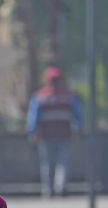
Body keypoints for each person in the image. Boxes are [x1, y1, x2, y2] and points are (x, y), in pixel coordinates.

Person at [27, 66, 83, 197]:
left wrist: (32, 131)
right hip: (63, 134)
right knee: (62, 162)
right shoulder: (68, 96)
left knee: (48, 164)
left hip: (47, 135)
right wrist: (78, 128)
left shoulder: (41, 96)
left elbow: (33, 116)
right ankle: (60, 188)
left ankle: (49, 190)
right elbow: (78, 115)